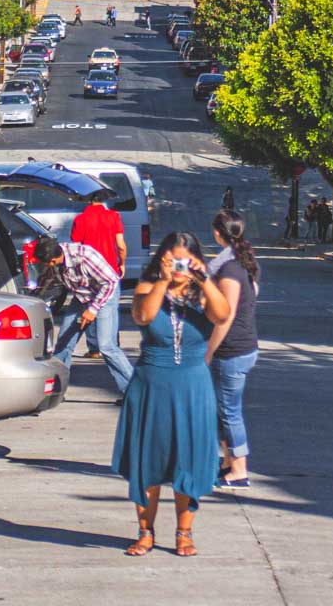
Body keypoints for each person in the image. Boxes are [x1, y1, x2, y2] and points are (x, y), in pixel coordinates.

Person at [113, 232, 230, 557]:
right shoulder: (148, 288)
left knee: (188, 460)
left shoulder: (204, 293)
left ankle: (184, 531)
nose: (179, 267)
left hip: (193, 387)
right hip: (151, 387)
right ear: (162, 258)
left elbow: (222, 316)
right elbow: (143, 316)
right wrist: (164, 282)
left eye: (184, 260)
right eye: (173, 259)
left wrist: (203, 279)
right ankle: (145, 532)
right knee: (146, 461)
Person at [33, 235, 133, 398]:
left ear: (53, 260)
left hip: (105, 295)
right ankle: (57, 390)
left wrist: (93, 309)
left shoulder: (84, 256)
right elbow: (47, 279)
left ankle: (133, 391)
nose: (45, 267)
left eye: (46, 264)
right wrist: (35, 296)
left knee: (106, 346)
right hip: (82, 296)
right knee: (64, 342)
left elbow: (110, 282)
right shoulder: (55, 261)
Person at [207, 211, 259, 490]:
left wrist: (208, 350)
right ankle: (228, 461)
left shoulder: (229, 269)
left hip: (233, 349)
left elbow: (224, 316)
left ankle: (239, 469)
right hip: (243, 345)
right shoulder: (242, 262)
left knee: (229, 411)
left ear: (218, 233)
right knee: (223, 409)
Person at [71, 190, 127, 359]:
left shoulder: (80, 219)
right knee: (111, 309)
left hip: (88, 271)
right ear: (105, 200)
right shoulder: (113, 216)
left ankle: (94, 348)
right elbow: (121, 245)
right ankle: (112, 346)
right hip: (109, 269)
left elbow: (76, 246)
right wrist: (122, 262)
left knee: (90, 305)